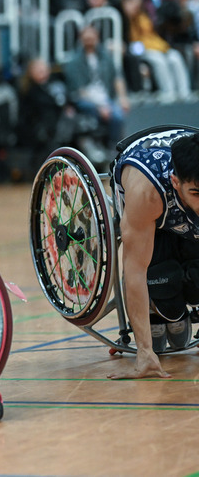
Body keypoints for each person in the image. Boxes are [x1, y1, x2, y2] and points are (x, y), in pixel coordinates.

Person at [109, 128, 199, 379]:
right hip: (148, 184)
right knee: (163, 278)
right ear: (176, 182)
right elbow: (135, 270)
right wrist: (144, 352)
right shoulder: (146, 192)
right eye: (196, 193)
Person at [62, 24, 130, 149]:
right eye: (86, 38)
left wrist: (123, 97)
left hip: (105, 97)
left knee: (118, 116)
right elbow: (79, 90)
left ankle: (115, 148)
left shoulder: (105, 58)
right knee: (96, 111)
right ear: (81, 39)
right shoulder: (74, 62)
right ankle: (99, 147)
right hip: (84, 99)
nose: (90, 40)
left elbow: (117, 78)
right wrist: (100, 107)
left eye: (92, 37)